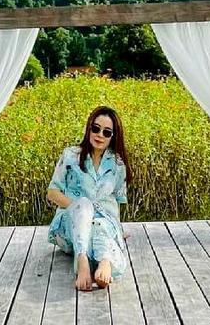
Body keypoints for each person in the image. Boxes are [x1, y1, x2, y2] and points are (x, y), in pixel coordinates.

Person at [45, 104, 131, 291]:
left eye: (106, 132)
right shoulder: (70, 156)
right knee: (84, 206)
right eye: (96, 128)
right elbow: (52, 192)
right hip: (70, 223)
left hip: (104, 223)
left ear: (113, 136)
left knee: (101, 224)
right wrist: (81, 210)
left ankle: (105, 262)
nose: (100, 135)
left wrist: (117, 229)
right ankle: (82, 260)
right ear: (89, 128)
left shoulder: (118, 164)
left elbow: (116, 202)